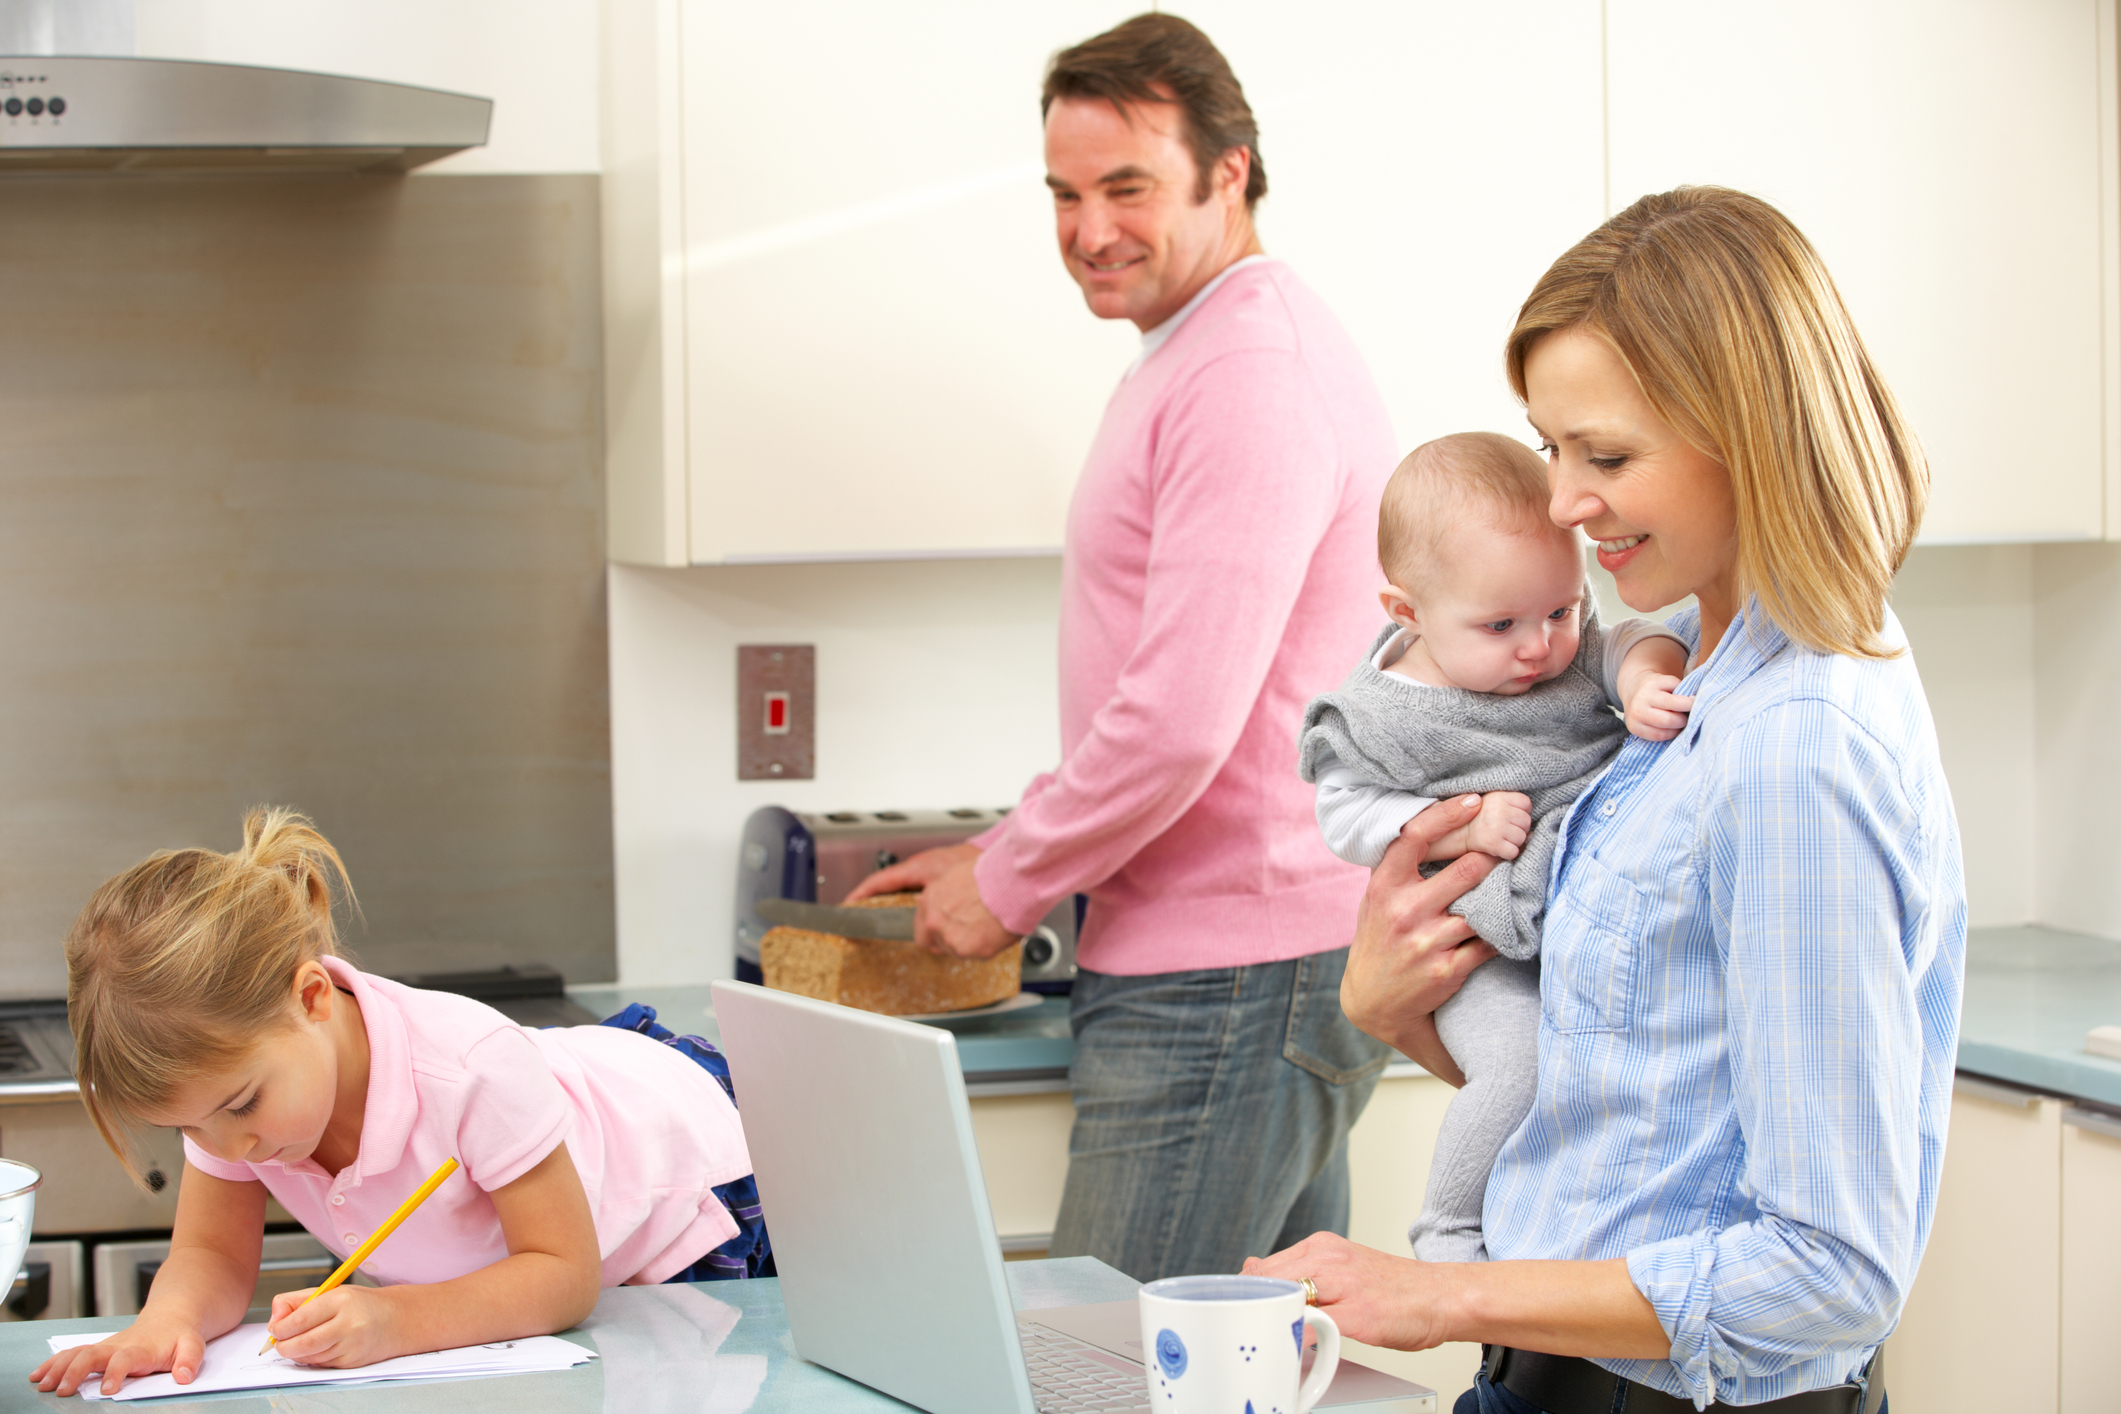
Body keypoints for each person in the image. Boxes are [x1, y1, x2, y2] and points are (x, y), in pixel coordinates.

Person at [1248, 186, 1960, 1414]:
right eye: (1550, 448)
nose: (1565, 503)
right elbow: (1624, 1085)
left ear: (1751, 431)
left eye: (1609, 456)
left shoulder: (1797, 748)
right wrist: (1389, 1006)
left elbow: (1833, 1268)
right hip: (1552, 1378)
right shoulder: (1670, 665)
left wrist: (1446, 1291)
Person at [847, 13, 1399, 1282]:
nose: (1089, 229)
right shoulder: (1200, 350)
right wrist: (1006, 843)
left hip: (1230, 979)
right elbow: (1168, 692)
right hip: (1250, 960)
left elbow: (1181, 720)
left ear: (1231, 170)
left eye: (1128, 187)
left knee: (1108, 1373)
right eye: (1065, 193)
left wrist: (1007, 884)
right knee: (1245, 1364)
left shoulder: (1249, 372)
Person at [31, 808, 767, 1399]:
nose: (226, 1150)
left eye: (241, 1107)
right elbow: (211, 1254)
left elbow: (563, 1275)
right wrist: (166, 1322)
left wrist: (393, 1318)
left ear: (313, 996)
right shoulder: (229, 1098)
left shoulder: (468, 1068)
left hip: (692, 1181)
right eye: (188, 1128)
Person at [1298, 431, 1692, 1265]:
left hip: (1584, 926)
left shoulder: (1567, 644)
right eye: (1500, 624)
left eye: (1560, 609)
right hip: (1480, 949)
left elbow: (1629, 640)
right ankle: (1447, 1229)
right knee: (1516, 1074)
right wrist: (1450, 825)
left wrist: (1641, 679)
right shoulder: (1384, 712)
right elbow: (1343, 812)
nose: (1538, 646)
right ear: (1407, 613)